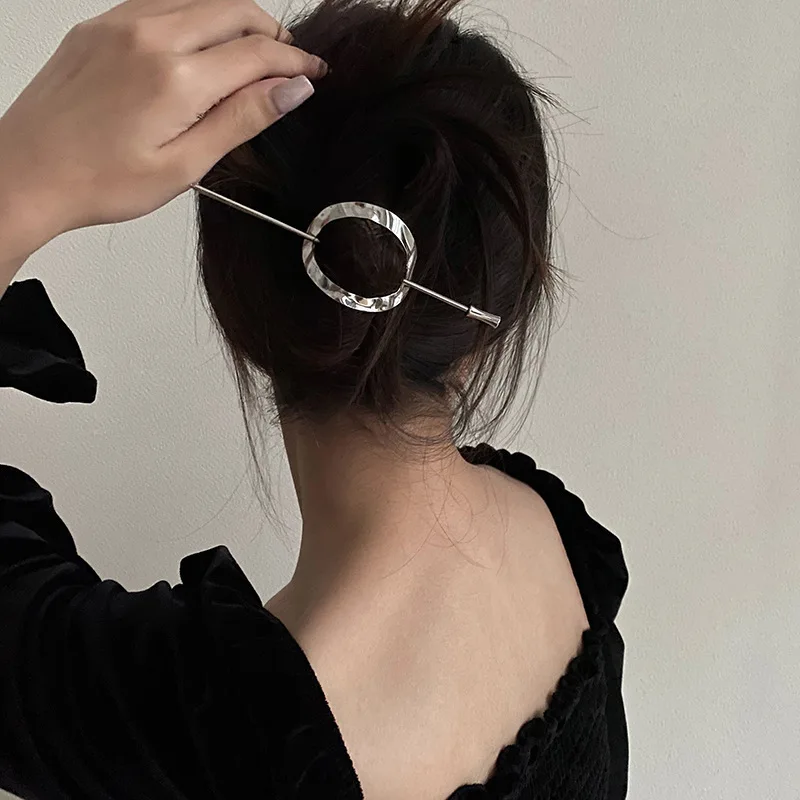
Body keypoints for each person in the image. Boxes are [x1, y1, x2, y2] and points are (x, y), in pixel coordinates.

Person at [0, 0, 629, 798]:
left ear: (237, 302)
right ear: (493, 315)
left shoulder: (201, 732)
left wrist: (17, 179)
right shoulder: (562, 546)